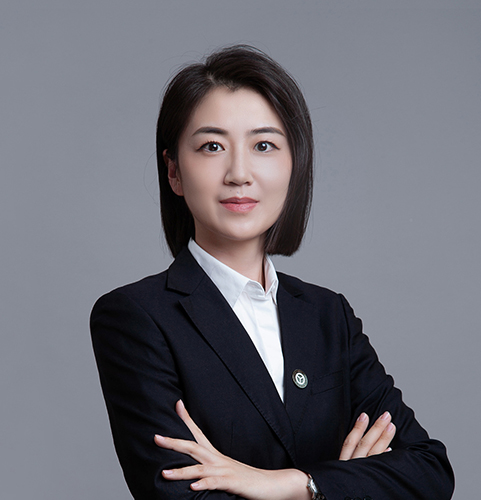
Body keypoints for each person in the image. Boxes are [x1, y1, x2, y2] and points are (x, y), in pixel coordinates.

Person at [90, 45, 454, 500]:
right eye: (211, 146)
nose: (239, 173)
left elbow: (429, 472)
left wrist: (291, 483)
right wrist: (349, 485)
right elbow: (183, 496)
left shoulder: (328, 315)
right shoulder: (135, 317)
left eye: (263, 146)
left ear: (294, 166)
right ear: (174, 172)